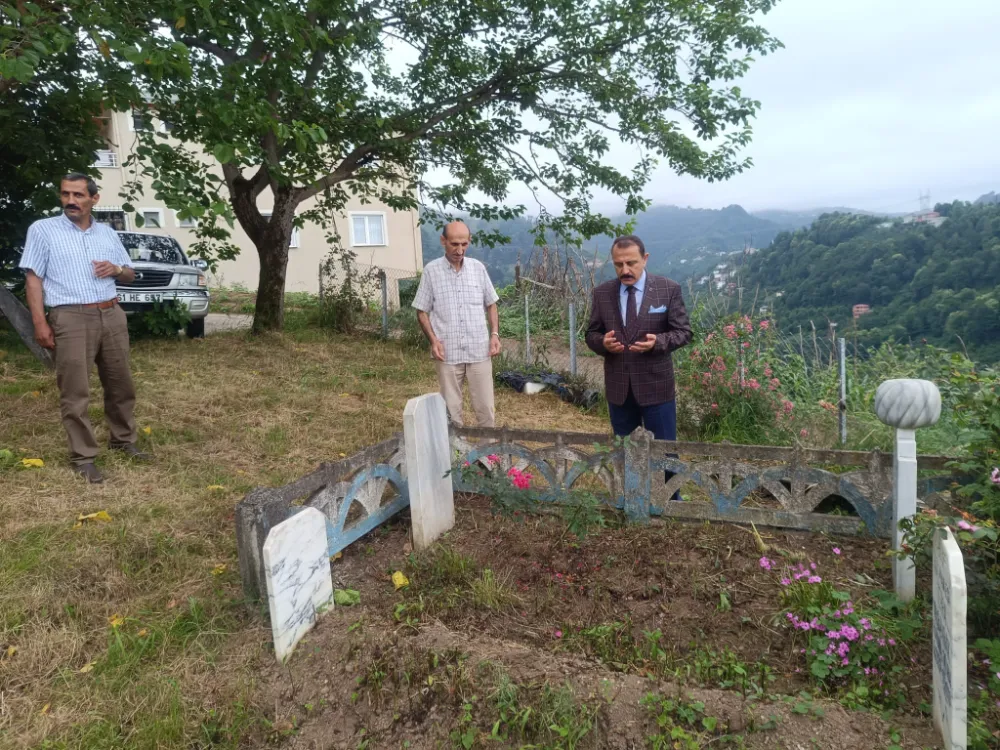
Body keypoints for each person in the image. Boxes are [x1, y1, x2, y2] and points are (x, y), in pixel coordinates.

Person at [20, 173, 150, 483]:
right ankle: (84, 457)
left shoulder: (106, 233)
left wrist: (117, 269)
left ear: (94, 199)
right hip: (70, 316)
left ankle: (123, 440)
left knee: (121, 384)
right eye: (65, 194)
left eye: (78, 195)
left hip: (111, 313)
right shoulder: (43, 230)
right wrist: (40, 322)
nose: (70, 201)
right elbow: (33, 278)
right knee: (75, 390)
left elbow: (130, 274)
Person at [585, 235, 692, 486]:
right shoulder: (602, 294)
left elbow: (684, 332)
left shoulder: (668, 289)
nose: (625, 270)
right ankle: (630, 495)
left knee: (665, 450)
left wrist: (659, 343)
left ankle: (670, 498)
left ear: (645, 259)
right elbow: (591, 334)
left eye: (631, 263)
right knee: (624, 448)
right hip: (619, 387)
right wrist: (603, 344)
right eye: (618, 265)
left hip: (657, 386)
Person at [412, 220, 501, 427]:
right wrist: (433, 341)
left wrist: (495, 335)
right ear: (444, 241)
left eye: (464, 244)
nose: (460, 250)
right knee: (451, 411)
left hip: (479, 350)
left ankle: (487, 456)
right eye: (454, 244)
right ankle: (455, 455)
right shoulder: (431, 271)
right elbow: (421, 311)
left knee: (486, 408)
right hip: (448, 352)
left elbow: (492, 304)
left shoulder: (478, 269)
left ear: (469, 242)